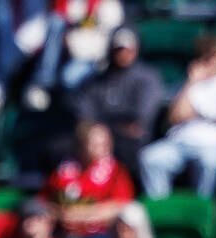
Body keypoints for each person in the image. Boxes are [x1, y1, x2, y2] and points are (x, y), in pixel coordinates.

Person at [138, 33, 216, 198]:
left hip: (213, 145)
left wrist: (200, 112)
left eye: (214, 56)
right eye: (205, 57)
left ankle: (203, 210)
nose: (210, 61)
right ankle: (162, 208)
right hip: (179, 143)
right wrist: (191, 82)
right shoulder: (187, 83)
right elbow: (175, 117)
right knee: (150, 159)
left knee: (210, 163)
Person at [69, 26, 163, 175]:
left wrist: (106, 124)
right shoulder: (96, 80)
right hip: (97, 138)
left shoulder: (147, 79)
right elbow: (85, 117)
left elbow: (140, 120)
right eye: (119, 49)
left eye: (128, 49)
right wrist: (110, 127)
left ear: (136, 50)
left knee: (129, 149)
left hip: (133, 142)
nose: (123, 54)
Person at [44, 120, 136, 238]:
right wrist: (61, 214)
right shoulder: (64, 171)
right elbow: (46, 202)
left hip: (100, 233)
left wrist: (80, 216)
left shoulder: (116, 172)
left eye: (105, 143)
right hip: (64, 232)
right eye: (95, 143)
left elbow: (120, 206)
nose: (102, 148)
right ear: (82, 145)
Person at [25, 0, 128, 114]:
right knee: (56, 23)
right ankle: (43, 83)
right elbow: (68, 22)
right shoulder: (77, 3)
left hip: (93, 60)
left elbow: (106, 43)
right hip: (71, 54)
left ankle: (73, 106)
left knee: (69, 77)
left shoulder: (110, 6)